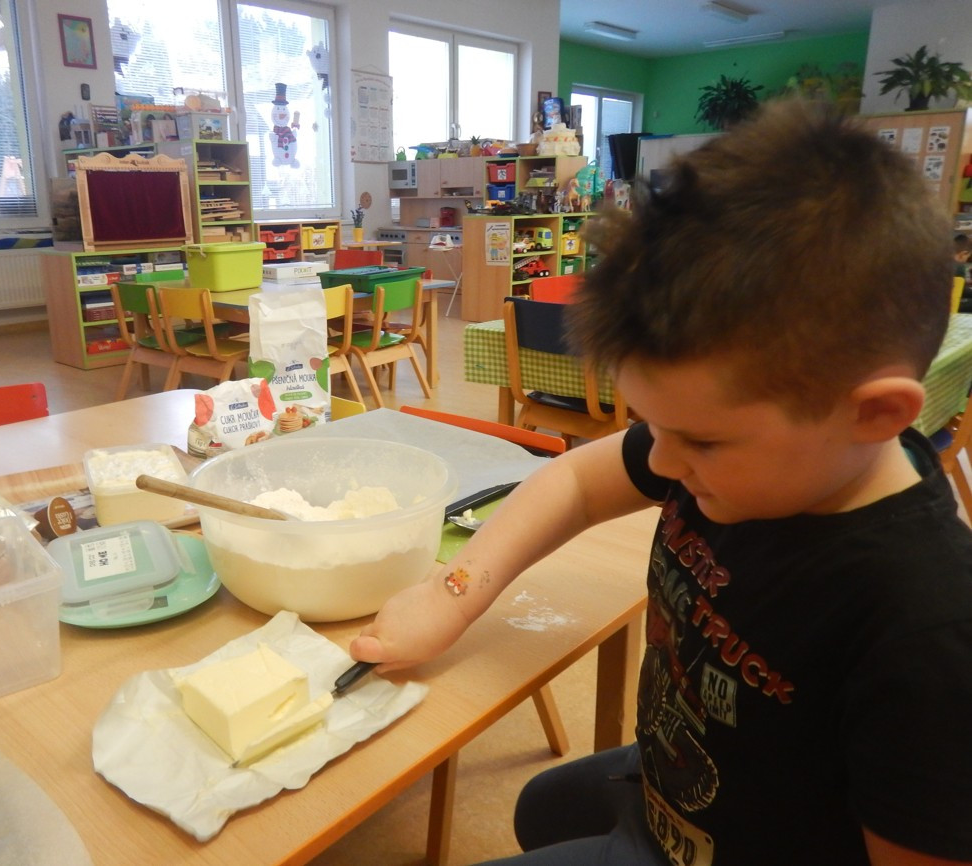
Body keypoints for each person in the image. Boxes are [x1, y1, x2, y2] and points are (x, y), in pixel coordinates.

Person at [350, 100, 972, 866]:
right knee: (541, 805)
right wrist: (450, 595)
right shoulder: (748, 444)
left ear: (871, 414)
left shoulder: (928, 635)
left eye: (699, 440)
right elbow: (578, 481)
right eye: (653, 423)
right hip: (677, 778)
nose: (663, 462)